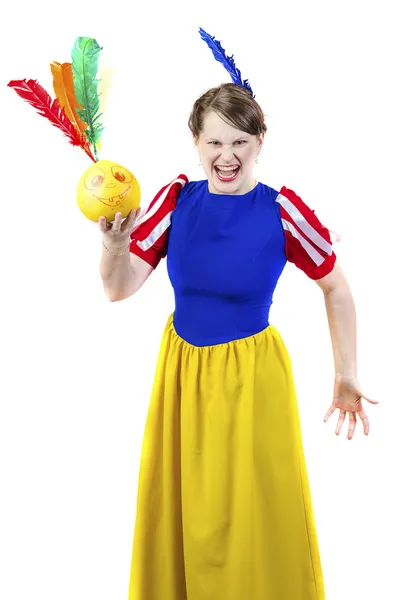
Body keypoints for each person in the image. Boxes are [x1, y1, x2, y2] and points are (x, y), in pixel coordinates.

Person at [98, 83, 378, 600]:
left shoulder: (284, 211)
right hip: (183, 375)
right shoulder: (174, 201)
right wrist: (114, 247)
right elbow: (118, 288)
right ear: (196, 142)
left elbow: (336, 286)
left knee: (254, 512)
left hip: (253, 379)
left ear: (260, 141)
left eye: (240, 143)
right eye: (214, 143)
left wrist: (345, 374)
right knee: (186, 511)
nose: (226, 157)